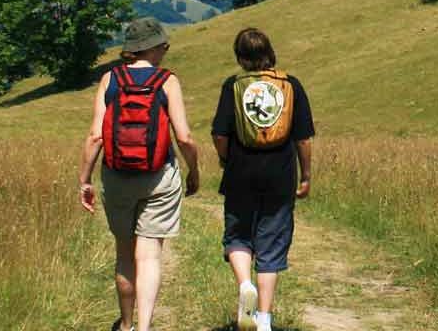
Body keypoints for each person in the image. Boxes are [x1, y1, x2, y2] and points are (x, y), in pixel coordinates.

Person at [79, 17, 200, 331]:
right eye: (164, 45)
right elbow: (185, 137)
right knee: (149, 257)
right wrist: (194, 170)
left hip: (116, 176)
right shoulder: (167, 81)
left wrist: (85, 180)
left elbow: (95, 136)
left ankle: (127, 325)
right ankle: (145, 328)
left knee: (124, 255)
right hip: (159, 176)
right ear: (154, 47)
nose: (166, 50)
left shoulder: (110, 79)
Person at [212, 28, 315, 331]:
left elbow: (219, 133)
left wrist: (226, 158)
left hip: (240, 171)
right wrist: (306, 174)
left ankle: (245, 285)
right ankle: (265, 320)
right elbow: (304, 138)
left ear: (240, 57)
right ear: (270, 52)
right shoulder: (290, 85)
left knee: (238, 235)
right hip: (280, 174)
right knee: (271, 244)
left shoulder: (233, 86)